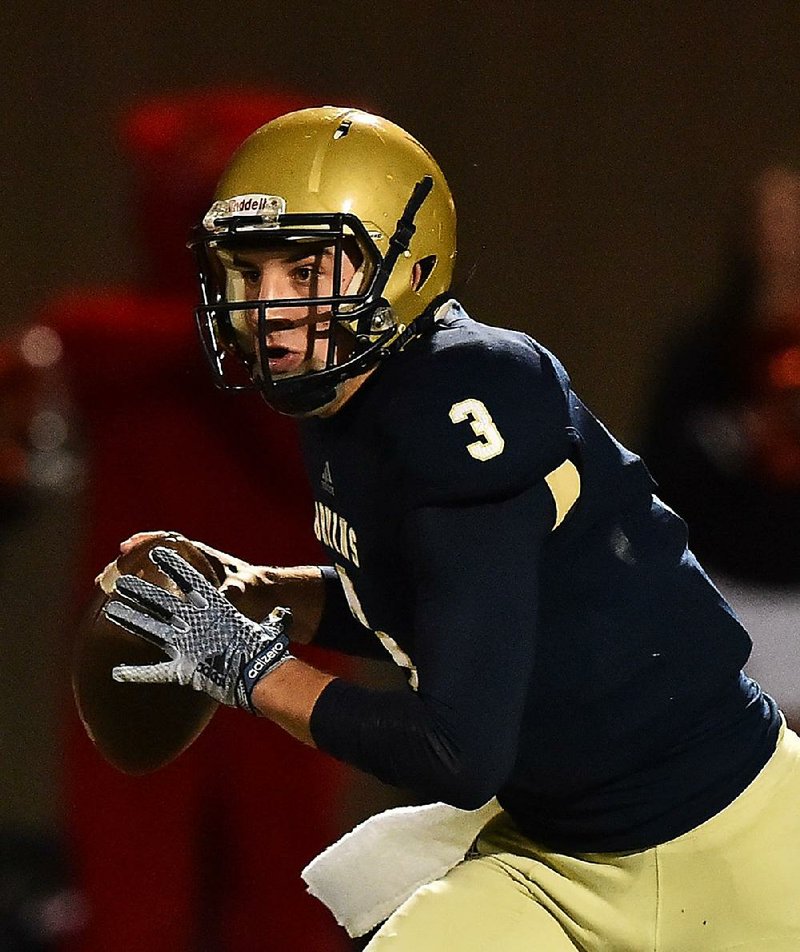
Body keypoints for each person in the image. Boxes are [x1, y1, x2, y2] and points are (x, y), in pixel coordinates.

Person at [104, 107, 800, 950]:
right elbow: (454, 605)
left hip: (737, 844)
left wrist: (251, 669)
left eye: (303, 269)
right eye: (249, 272)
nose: (269, 306)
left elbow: (457, 752)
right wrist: (278, 594)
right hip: (554, 863)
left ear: (409, 266)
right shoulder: (351, 394)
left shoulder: (463, 395)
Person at [42, 91, 350, 952]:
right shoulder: (110, 339)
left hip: (275, 626)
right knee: (140, 899)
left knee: (281, 894)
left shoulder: (283, 354)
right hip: (145, 631)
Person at [642, 165, 800, 727]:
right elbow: (658, 479)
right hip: (726, 598)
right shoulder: (702, 357)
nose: (786, 234)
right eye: (773, 216)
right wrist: (745, 436)